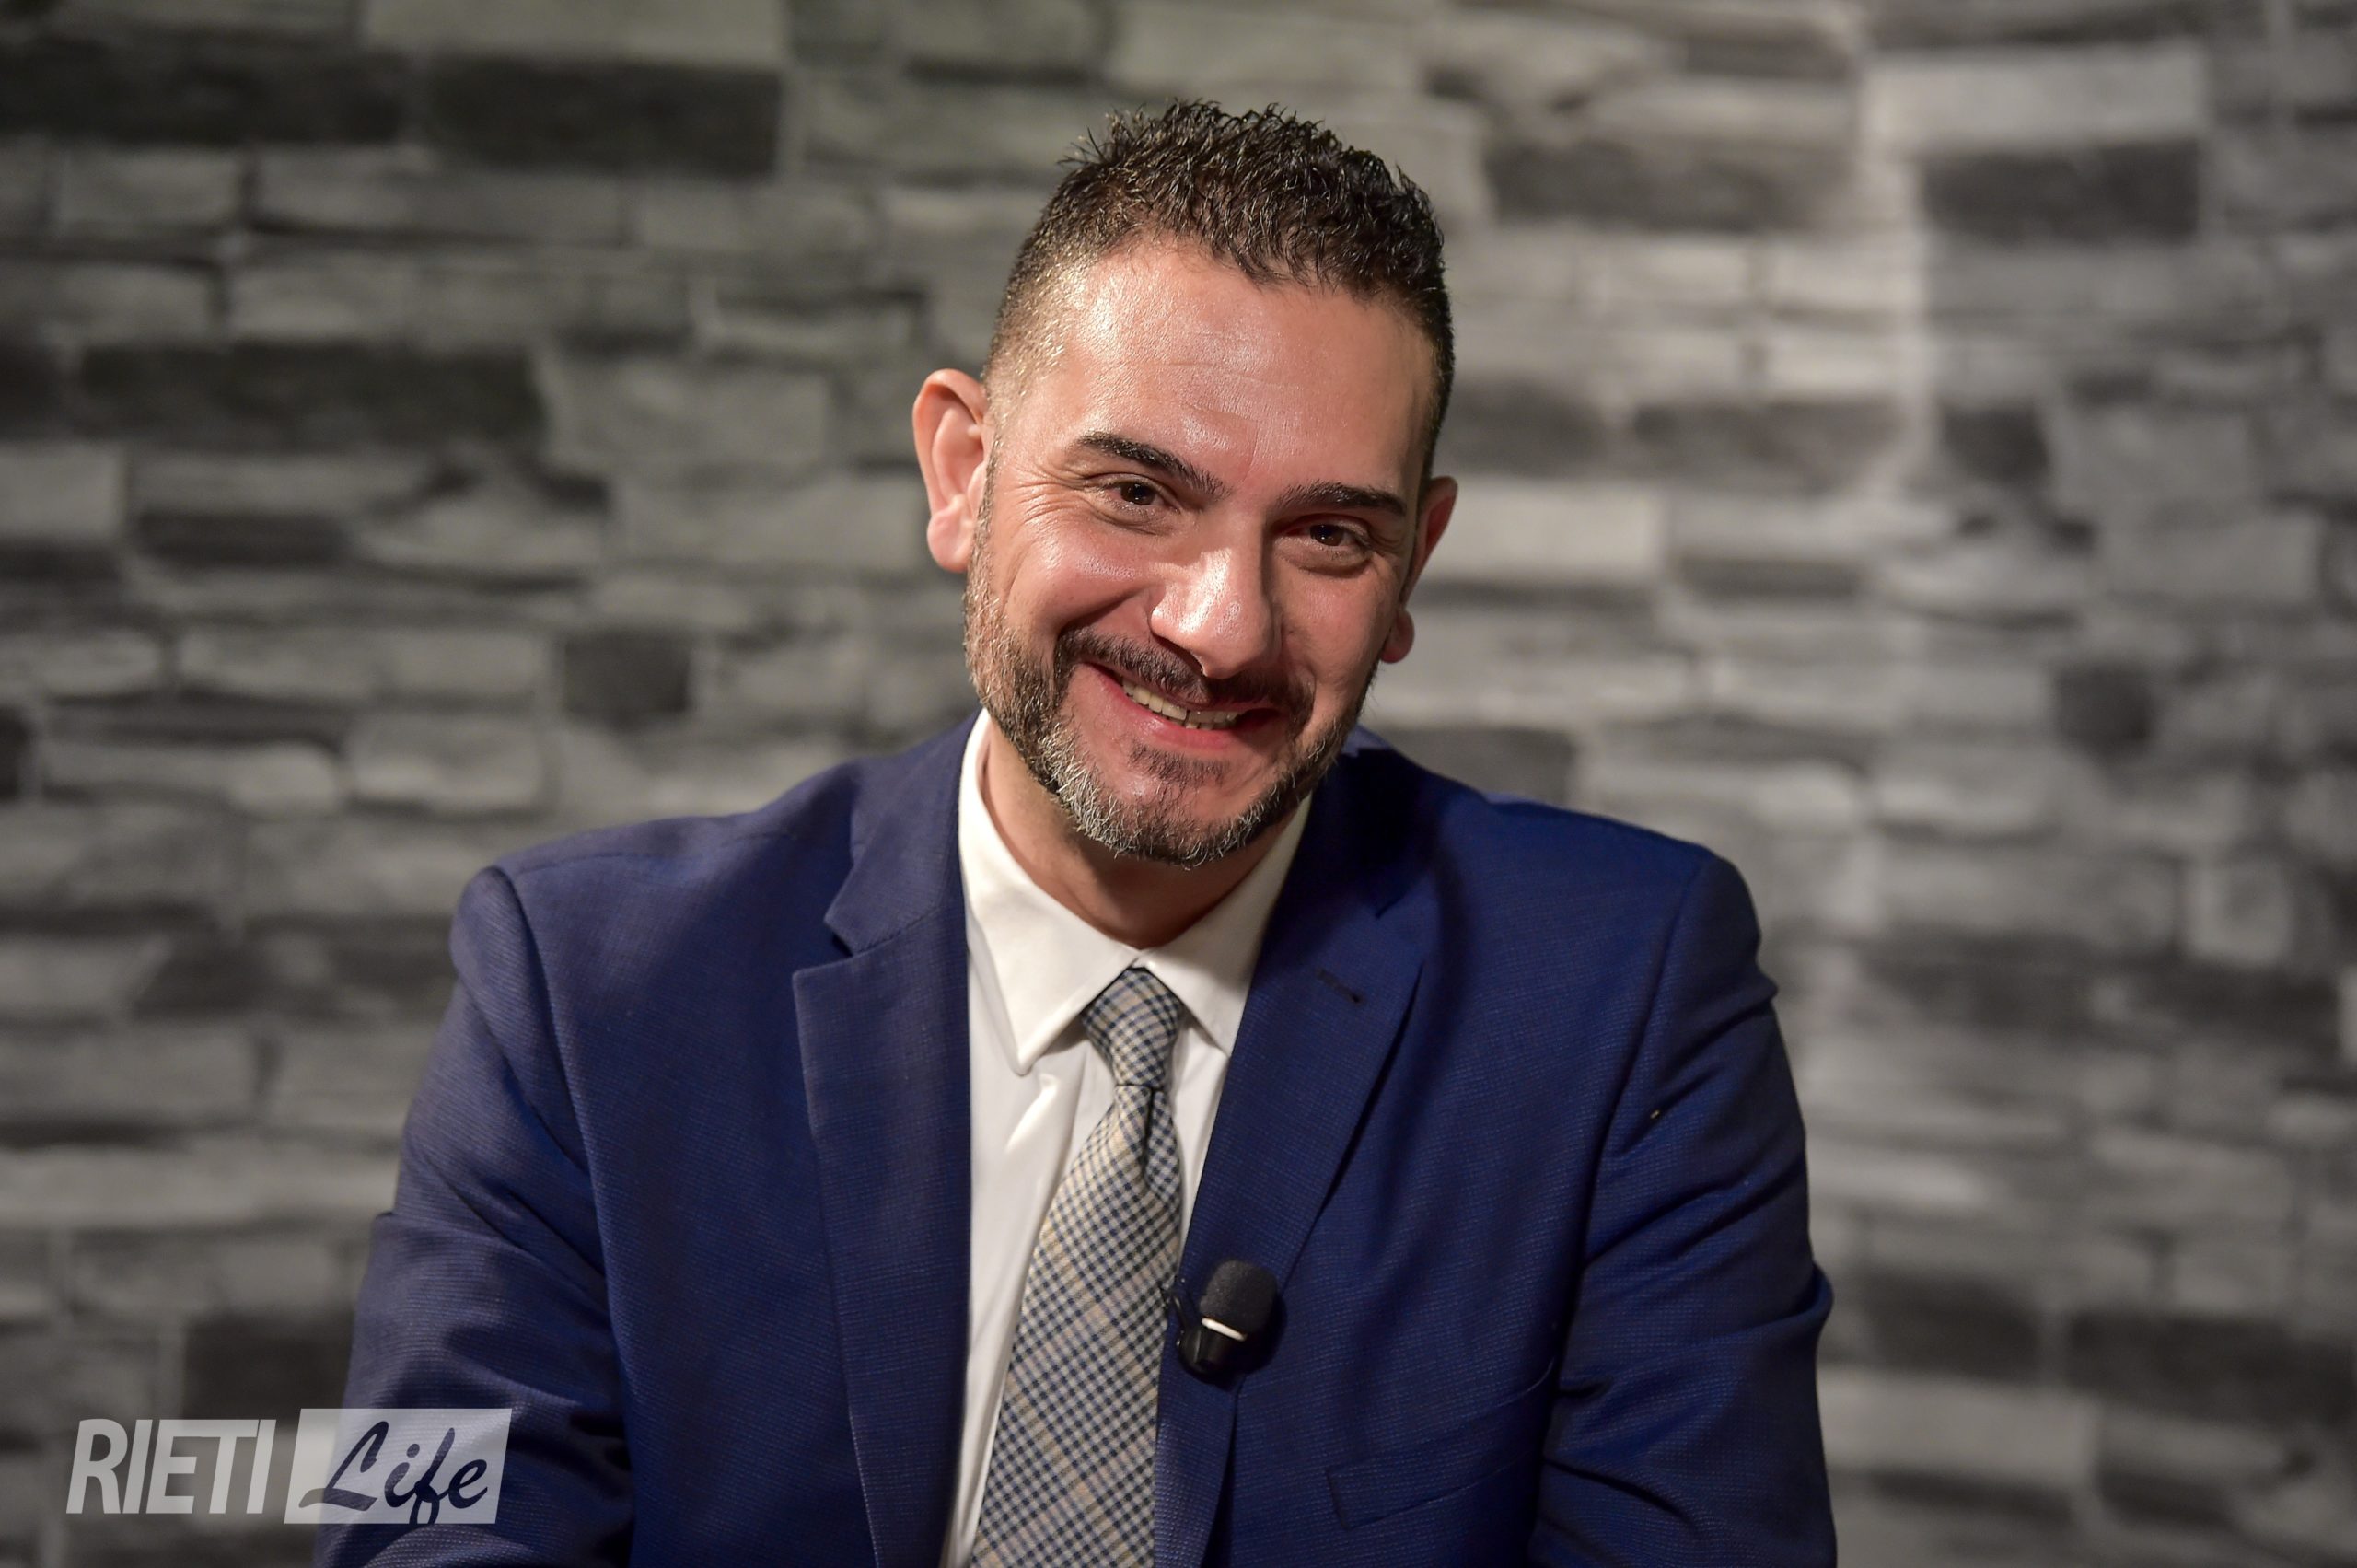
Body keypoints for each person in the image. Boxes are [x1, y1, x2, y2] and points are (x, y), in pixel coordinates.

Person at [319, 101, 1834, 1568]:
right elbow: (417, 1523)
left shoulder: (1624, 1001)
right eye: (1136, 492)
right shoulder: (579, 984)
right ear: (963, 475)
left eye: (1327, 536)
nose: (1220, 628)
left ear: (1411, 566)